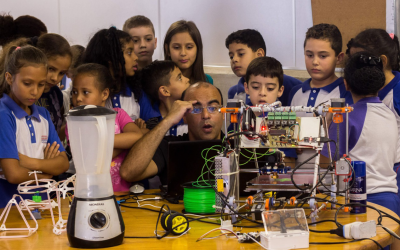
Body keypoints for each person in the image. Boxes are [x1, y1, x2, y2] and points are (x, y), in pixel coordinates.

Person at [321, 52, 400, 218]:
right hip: (391, 199)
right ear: (380, 85)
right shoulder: (391, 115)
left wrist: (326, 125)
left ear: (346, 85)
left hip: (361, 201)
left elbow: (325, 162)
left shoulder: (346, 116)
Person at [0, 45, 69, 208]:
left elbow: (63, 164)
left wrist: (31, 162)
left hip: (39, 201)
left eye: (40, 85)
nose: (35, 92)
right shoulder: (4, 114)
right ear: (9, 78)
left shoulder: (43, 115)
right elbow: (13, 174)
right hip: (9, 206)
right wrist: (47, 172)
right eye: (27, 83)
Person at [120, 82, 223, 184]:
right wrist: (167, 120)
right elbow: (128, 173)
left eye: (213, 108)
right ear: (184, 117)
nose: (205, 115)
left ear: (223, 113)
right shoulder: (171, 147)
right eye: (196, 109)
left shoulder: (235, 148)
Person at [67, 63, 143, 192]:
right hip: (89, 192)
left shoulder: (118, 114)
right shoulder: (74, 124)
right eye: (74, 92)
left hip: (123, 192)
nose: (78, 98)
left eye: (85, 92)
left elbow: (137, 137)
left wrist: (98, 140)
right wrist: (123, 145)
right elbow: (91, 161)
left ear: (104, 94)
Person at [346, 29, 400, 194]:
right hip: (362, 181)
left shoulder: (396, 94)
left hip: (390, 178)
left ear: (382, 62)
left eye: (360, 60)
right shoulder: (354, 90)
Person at [0, 34, 72, 139]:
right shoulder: (10, 102)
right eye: (51, 69)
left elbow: (55, 136)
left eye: (62, 73)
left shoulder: (56, 94)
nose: (55, 78)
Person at [225, 29, 301, 106]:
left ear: (259, 54)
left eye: (241, 54)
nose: (234, 59)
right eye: (231, 56)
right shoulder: (233, 92)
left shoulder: (291, 85)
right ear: (246, 87)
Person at [83, 27, 142, 121]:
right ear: (110, 57)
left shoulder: (136, 90)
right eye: (129, 52)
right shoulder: (87, 93)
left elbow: (150, 127)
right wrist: (135, 133)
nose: (136, 58)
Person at [140, 60, 190, 134]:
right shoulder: (150, 124)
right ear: (165, 91)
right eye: (179, 78)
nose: (187, 79)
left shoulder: (191, 116)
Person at [164, 20, 213, 84]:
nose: (183, 53)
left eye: (189, 47)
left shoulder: (207, 81)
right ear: (167, 50)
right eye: (176, 47)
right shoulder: (158, 82)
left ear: (198, 48)